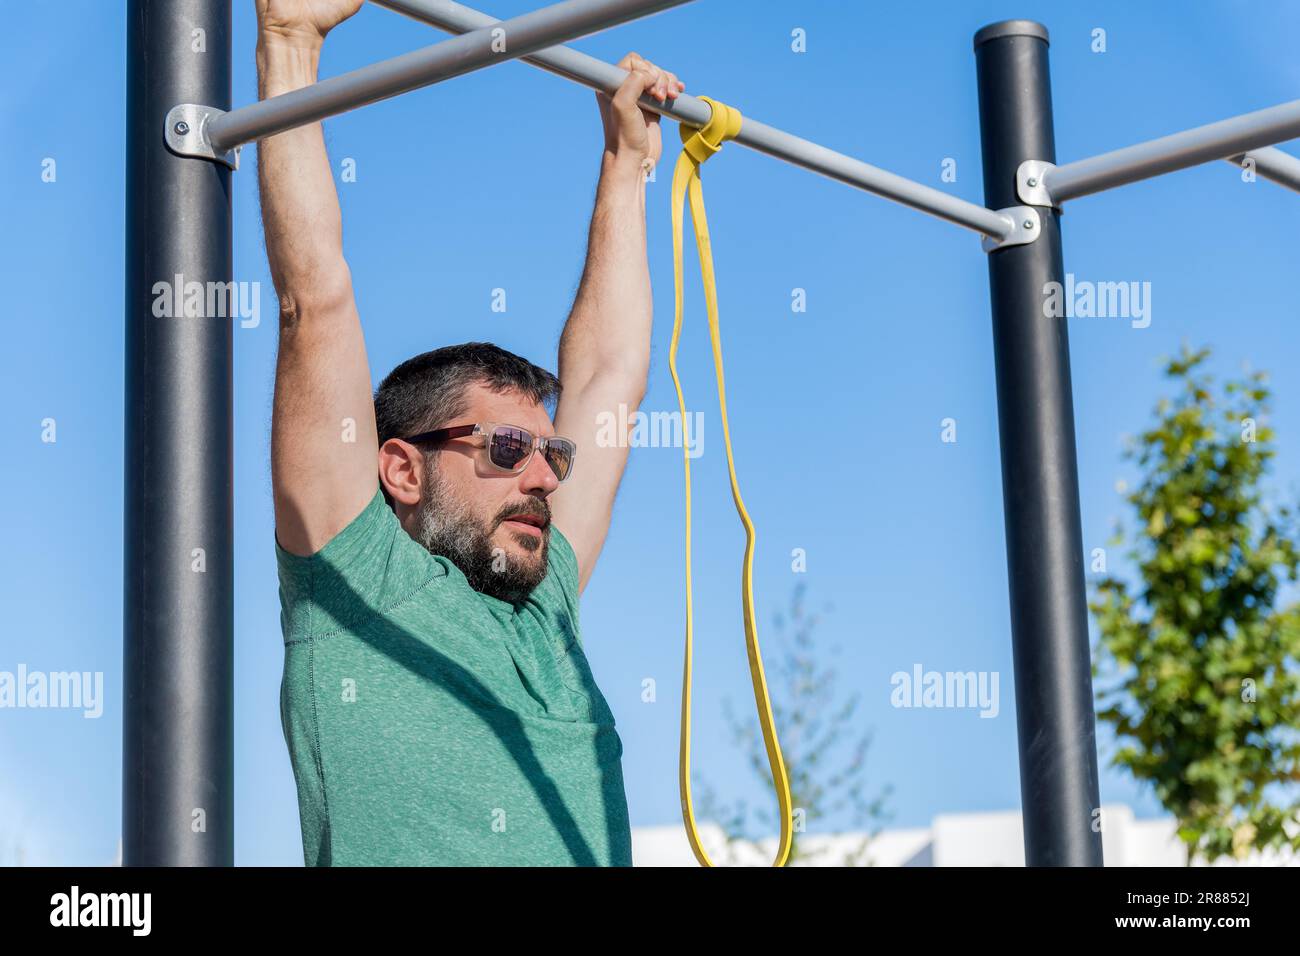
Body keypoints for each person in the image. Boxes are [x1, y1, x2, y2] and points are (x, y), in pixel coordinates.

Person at [257, 0, 683, 865]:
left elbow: (607, 381)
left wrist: (627, 161)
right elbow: (316, 302)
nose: (545, 478)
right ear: (401, 471)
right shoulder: (357, 576)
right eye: (506, 449)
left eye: (552, 454)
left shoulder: (548, 602)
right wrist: (290, 46)